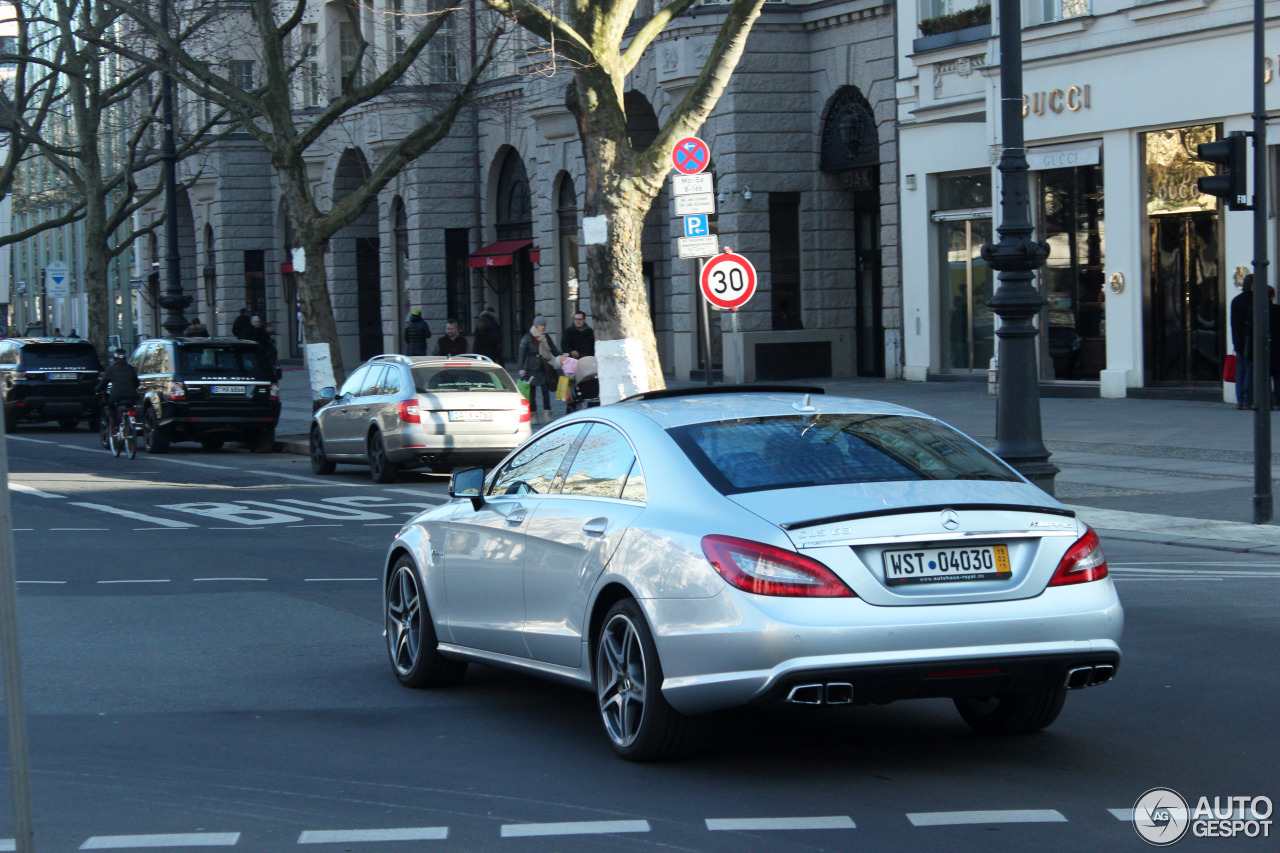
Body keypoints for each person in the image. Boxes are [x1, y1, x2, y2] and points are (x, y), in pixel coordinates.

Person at [518, 316, 561, 425]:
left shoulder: (546, 337)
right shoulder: (527, 338)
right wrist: (520, 368)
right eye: (540, 325)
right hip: (530, 369)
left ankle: (547, 415)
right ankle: (534, 416)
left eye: (544, 325)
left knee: (545, 392)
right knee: (531, 395)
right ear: (536, 325)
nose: (542, 327)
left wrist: (561, 356)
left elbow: (553, 349)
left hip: (543, 368)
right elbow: (521, 354)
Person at [95, 348, 140, 432]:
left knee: (111, 407)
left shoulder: (111, 369)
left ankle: (116, 425)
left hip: (117, 396)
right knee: (130, 407)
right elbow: (136, 383)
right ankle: (131, 423)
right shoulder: (131, 368)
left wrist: (97, 389)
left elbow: (104, 383)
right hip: (132, 396)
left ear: (115, 358)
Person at [1231, 274, 1255, 410]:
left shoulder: (1236, 300)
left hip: (1239, 341)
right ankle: (1247, 399)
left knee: (1240, 370)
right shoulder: (1255, 300)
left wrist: (1235, 341)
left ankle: (1240, 399)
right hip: (1251, 340)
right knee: (1250, 370)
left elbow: (1234, 323)